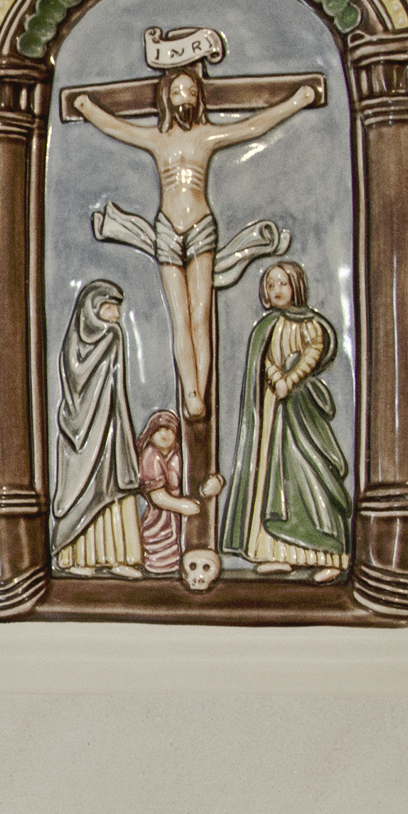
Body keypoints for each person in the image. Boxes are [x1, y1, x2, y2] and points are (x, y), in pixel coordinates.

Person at [68, 29, 317, 440]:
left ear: (198, 99)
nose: (184, 97)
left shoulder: (206, 136)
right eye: (177, 91)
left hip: (200, 227)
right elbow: (118, 129)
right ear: (167, 99)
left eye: (190, 91)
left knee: (200, 313)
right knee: (179, 316)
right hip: (168, 229)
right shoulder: (157, 140)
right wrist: (88, 109)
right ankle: (191, 390)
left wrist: (296, 102)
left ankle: (200, 386)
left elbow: (254, 126)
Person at [221, 260, 352, 579]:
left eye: (282, 283)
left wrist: (290, 380)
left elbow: (313, 353)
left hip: (300, 410)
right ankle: (277, 552)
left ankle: (328, 556)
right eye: (270, 285)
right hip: (272, 411)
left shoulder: (311, 324)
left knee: (308, 469)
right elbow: (264, 360)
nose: (276, 290)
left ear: (296, 286)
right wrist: (276, 377)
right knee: (271, 476)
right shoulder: (266, 327)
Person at [50, 281, 142, 574]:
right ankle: (73, 556)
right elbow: (77, 376)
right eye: (110, 307)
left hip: (110, 426)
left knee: (111, 487)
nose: (117, 314)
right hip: (82, 431)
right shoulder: (79, 342)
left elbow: (116, 383)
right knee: (81, 488)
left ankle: (117, 557)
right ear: (92, 309)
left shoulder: (114, 335)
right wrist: (108, 340)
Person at [132, 410, 219, 581]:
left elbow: (196, 475)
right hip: (161, 516)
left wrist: (216, 481)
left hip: (181, 520)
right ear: (150, 433)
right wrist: (182, 506)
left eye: (169, 429)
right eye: (159, 430)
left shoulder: (180, 453)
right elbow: (158, 497)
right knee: (160, 560)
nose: (164, 434)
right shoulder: (150, 455)